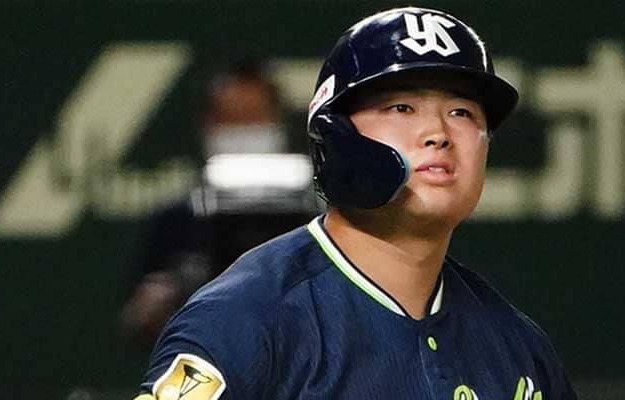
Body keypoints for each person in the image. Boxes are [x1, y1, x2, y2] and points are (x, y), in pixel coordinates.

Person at [134, 7, 576, 400]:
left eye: (462, 112)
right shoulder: (244, 320)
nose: (438, 133)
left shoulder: (519, 347)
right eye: (401, 108)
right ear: (336, 136)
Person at [120, 56, 315, 349]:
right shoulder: (178, 217)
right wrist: (159, 301)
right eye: (230, 119)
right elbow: (136, 322)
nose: (243, 130)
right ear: (207, 124)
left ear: (278, 120)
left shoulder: (317, 211)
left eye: (254, 117)